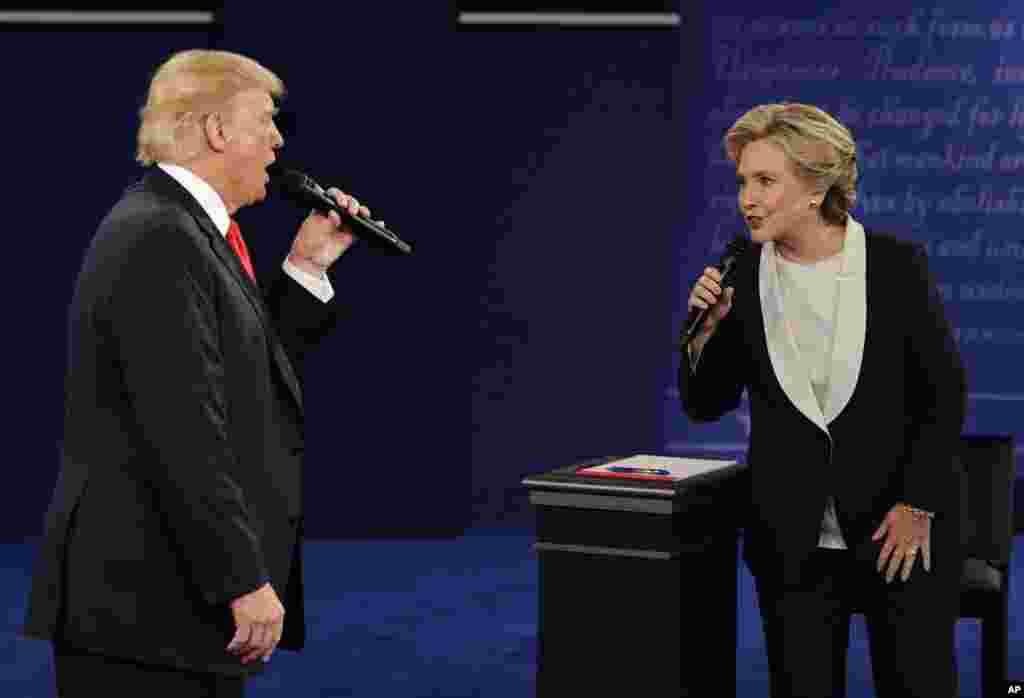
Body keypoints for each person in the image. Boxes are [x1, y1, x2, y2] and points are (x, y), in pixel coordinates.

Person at [23, 49, 373, 697]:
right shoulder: (160, 233)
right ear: (217, 131)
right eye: (266, 121)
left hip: (165, 605)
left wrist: (308, 266)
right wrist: (242, 578)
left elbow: (242, 379)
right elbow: (185, 426)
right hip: (144, 609)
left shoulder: (185, 228)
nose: (277, 140)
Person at [679, 103, 966, 697]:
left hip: (898, 531)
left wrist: (917, 505)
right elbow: (706, 404)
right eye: (742, 182)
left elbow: (942, 397)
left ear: (815, 189)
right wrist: (704, 333)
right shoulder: (739, 271)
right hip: (792, 539)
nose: (746, 199)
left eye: (765, 181)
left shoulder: (895, 266)